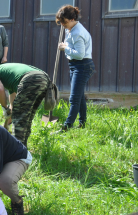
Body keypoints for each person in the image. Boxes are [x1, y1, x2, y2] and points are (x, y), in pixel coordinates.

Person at [0, 63, 50, 147]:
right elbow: (13, 100)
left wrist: (4, 107)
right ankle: (23, 148)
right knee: (26, 117)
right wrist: (10, 115)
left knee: (19, 119)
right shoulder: (6, 74)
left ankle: (17, 152)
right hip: (44, 79)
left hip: (31, 78)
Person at [55, 5, 95, 133]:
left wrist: (65, 48)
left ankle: (67, 127)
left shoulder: (78, 33)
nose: (62, 24)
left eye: (64, 22)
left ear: (72, 19)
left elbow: (80, 54)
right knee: (79, 96)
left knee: (74, 98)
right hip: (75, 65)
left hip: (83, 65)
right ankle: (82, 123)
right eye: (61, 22)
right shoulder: (71, 28)